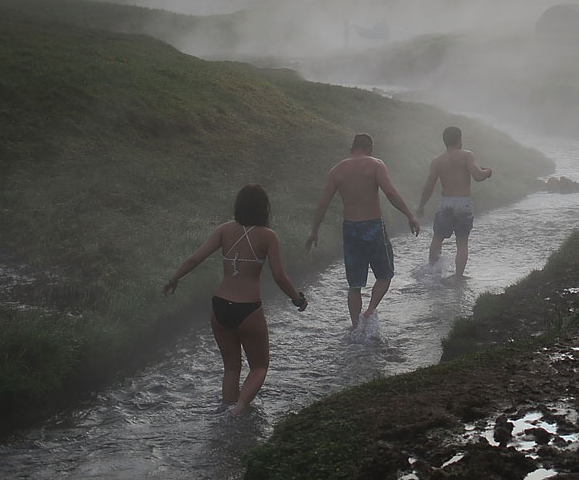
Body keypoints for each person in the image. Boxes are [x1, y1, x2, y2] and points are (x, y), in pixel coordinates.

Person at [163, 183, 307, 414]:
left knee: (231, 369)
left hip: (220, 306)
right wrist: (297, 299)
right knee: (259, 367)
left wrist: (174, 279)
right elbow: (279, 277)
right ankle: (238, 410)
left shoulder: (224, 230)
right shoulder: (268, 236)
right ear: (264, 208)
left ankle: (227, 413)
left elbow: (194, 259)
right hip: (248, 309)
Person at [306, 133, 421, 327]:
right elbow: (390, 192)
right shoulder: (375, 164)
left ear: (352, 148)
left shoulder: (337, 170)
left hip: (350, 229)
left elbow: (323, 204)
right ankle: (370, 310)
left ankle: (355, 326)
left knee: (355, 285)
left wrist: (314, 231)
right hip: (373, 226)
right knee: (385, 275)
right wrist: (409, 215)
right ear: (370, 149)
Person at [418, 126, 492, 279]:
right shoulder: (467, 155)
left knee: (437, 239)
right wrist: (488, 172)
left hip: (445, 203)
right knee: (462, 243)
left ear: (445, 141)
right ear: (459, 140)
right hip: (463, 203)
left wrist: (421, 205)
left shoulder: (437, 161)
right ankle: (458, 277)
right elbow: (478, 176)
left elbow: (429, 186)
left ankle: (432, 273)